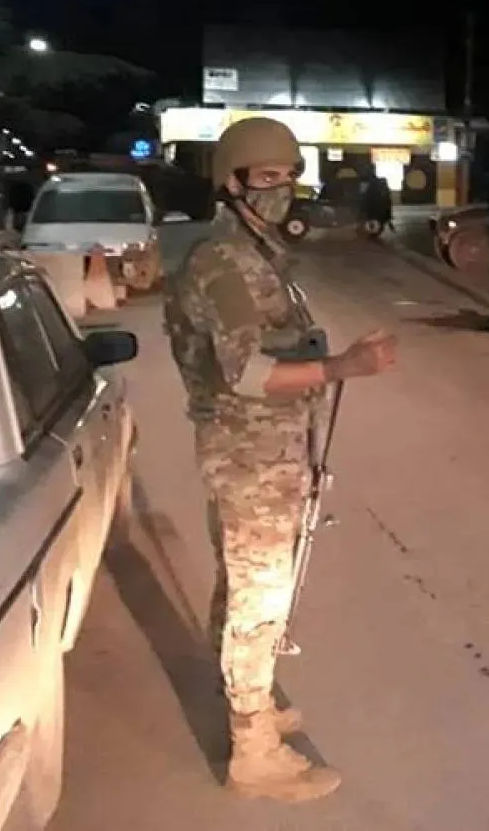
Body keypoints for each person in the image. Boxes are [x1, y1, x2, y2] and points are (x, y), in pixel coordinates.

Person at [162, 117, 398, 803]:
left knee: (245, 583)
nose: (282, 189)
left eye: (290, 176)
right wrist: (344, 365)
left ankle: (249, 696)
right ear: (231, 183)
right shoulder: (223, 262)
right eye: (267, 177)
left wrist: (324, 357)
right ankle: (254, 749)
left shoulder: (257, 251)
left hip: (270, 449)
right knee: (259, 595)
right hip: (249, 455)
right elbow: (246, 373)